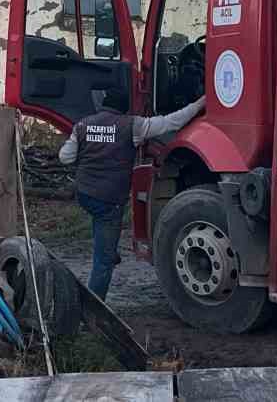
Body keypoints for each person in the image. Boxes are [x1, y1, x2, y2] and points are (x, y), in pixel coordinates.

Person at [59, 86, 205, 298]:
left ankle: (108, 246)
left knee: (100, 221)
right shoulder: (132, 125)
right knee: (104, 260)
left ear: (104, 104)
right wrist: (201, 102)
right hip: (109, 199)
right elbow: (171, 122)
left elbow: (65, 157)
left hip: (84, 194)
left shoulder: (83, 124)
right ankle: (95, 307)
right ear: (124, 108)